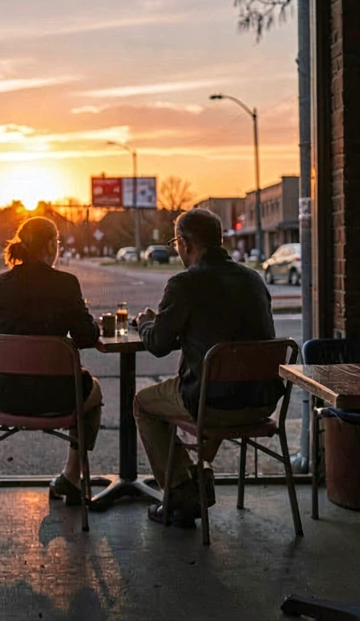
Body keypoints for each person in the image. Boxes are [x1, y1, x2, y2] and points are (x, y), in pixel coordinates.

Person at [133, 208, 278, 526]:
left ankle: (181, 491)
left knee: (143, 403)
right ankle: (200, 473)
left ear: (184, 243)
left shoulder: (185, 284)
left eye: (175, 243)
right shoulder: (253, 279)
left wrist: (145, 323)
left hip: (214, 405)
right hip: (262, 403)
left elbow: (157, 344)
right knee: (216, 381)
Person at [0, 217, 103, 505]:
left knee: (82, 383)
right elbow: (87, 337)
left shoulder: (0, 284)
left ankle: (70, 479)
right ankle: (72, 476)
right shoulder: (65, 284)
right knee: (93, 389)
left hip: (8, 395)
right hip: (59, 396)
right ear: (51, 245)